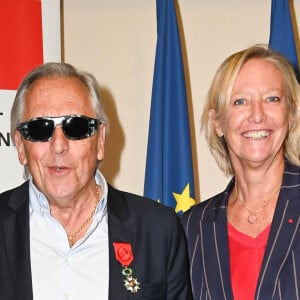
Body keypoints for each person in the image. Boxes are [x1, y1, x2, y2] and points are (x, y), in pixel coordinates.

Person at [0, 62, 192, 300]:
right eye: (41, 128)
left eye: (76, 127)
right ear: (20, 146)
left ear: (100, 140)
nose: (59, 145)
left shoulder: (158, 230)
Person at [182, 44, 300, 300]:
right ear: (218, 123)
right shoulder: (192, 228)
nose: (257, 115)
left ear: (290, 114)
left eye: (272, 99)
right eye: (240, 101)